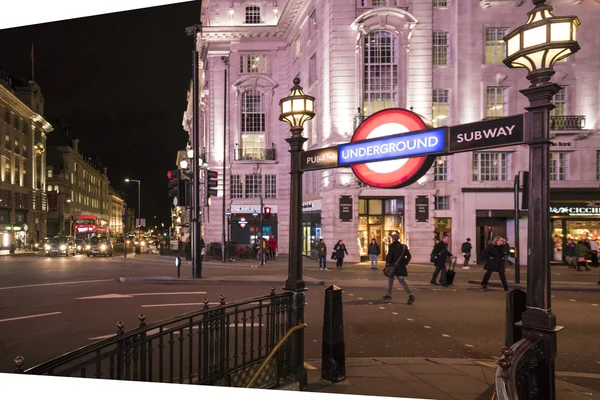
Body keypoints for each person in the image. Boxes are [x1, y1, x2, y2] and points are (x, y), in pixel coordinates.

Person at [383, 233, 415, 305]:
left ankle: (389, 295)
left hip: (393, 267)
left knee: (391, 280)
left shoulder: (391, 246)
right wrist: (404, 263)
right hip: (401, 267)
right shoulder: (404, 246)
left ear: (393, 239)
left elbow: (389, 257)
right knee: (401, 281)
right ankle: (410, 294)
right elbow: (409, 256)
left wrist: (387, 265)